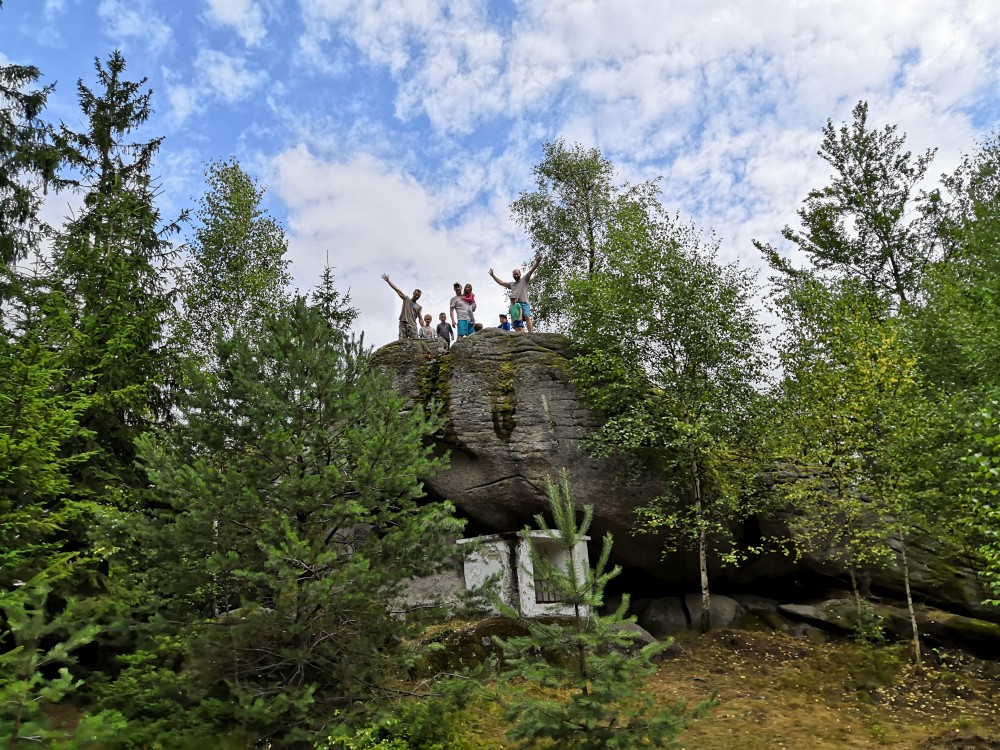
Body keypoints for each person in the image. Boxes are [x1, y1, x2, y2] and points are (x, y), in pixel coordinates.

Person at [489, 253, 541, 333]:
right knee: (516, 321)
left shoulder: (524, 279)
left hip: (524, 302)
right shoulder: (511, 284)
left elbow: (531, 271)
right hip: (515, 304)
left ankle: (531, 333)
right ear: (512, 275)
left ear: (520, 274)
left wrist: (537, 262)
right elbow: (501, 282)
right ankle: (521, 333)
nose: (516, 275)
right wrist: (493, 275)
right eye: (514, 274)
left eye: (517, 274)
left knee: (527, 317)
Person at [381, 273, 422, 340]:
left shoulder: (419, 307)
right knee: (402, 340)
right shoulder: (406, 299)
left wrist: (424, 327)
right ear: (413, 293)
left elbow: (420, 318)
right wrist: (388, 281)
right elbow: (397, 290)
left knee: (414, 341)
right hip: (403, 322)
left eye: (418, 296)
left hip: (413, 325)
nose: (417, 296)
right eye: (416, 294)